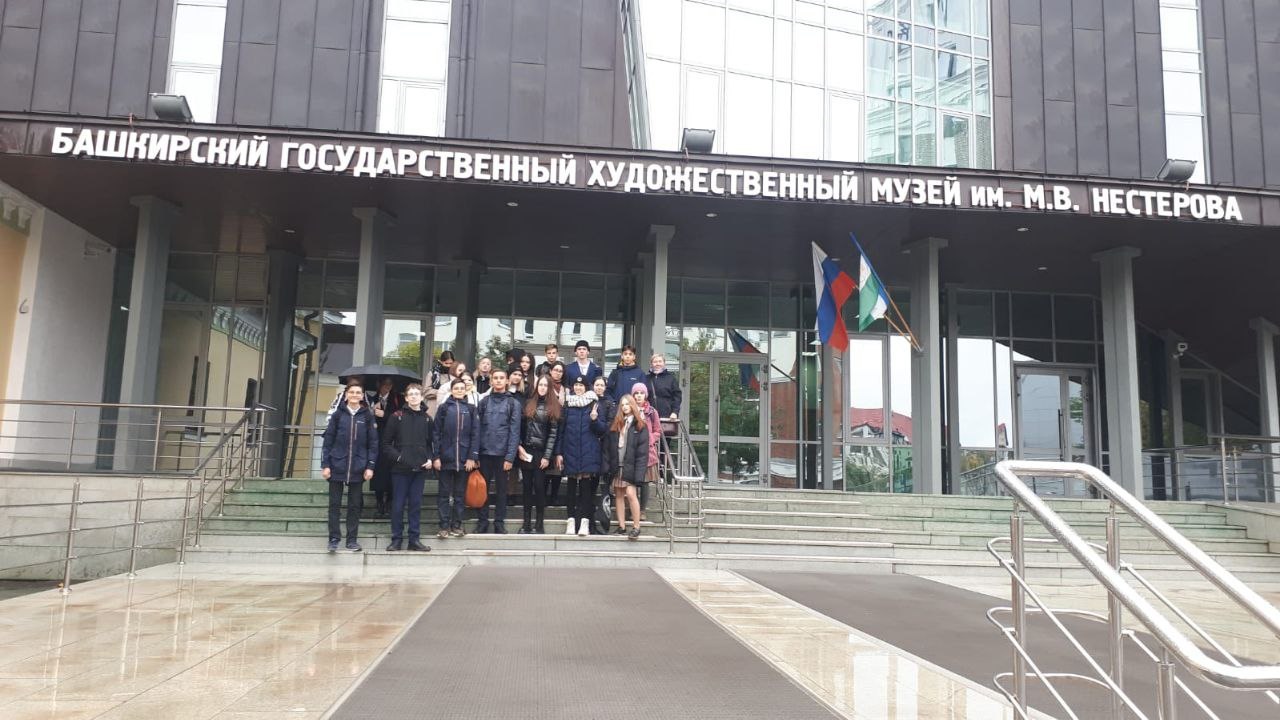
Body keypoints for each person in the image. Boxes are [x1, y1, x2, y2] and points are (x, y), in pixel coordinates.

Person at [321, 381, 378, 552]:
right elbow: (328, 441)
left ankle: (352, 540)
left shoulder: (367, 416)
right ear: (346, 395)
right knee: (334, 505)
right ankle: (334, 539)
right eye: (352, 392)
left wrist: (370, 466)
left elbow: (373, 444)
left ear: (362, 396)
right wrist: (325, 465)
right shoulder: (338, 415)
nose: (354, 395)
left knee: (354, 506)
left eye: (358, 392)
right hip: (337, 465)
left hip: (358, 467)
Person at [380, 383, 433, 552]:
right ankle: (396, 540)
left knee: (415, 505)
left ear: (422, 397)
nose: (414, 397)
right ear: (406, 398)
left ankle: (414, 540)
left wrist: (430, 458)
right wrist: (399, 457)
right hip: (400, 470)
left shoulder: (427, 418)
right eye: (411, 394)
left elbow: (431, 443)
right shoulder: (397, 416)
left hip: (420, 470)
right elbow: (386, 444)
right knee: (398, 506)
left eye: (417, 394)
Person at [557, 377, 606, 536]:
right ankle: (571, 521)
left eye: (581, 385)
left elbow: (602, 429)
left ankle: (584, 522)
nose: (578, 388)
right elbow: (561, 431)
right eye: (576, 385)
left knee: (586, 489)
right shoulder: (567, 405)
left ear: (586, 387)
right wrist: (559, 453)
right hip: (570, 450)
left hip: (588, 452)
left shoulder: (594, 403)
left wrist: (594, 420)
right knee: (571, 488)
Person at [475, 369, 522, 534]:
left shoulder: (513, 403)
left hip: (503, 455)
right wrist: (475, 454)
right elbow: (477, 429)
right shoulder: (484, 402)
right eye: (495, 378)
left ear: (507, 381)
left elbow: (515, 432)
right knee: (483, 489)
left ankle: (499, 522)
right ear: (491, 381)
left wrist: (510, 457)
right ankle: (482, 522)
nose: (498, 380)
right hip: (484, 453)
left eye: (502, 378)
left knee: (502, 491)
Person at [432, 379, 479, 539]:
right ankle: (443, 526)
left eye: (462, 388)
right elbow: (436, 433)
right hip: (446, 458)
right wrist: (436, 456)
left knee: (460, 495)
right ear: (451, 390)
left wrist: (472, 457)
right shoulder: (444, 408)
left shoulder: (471, 409)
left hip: (465, 459)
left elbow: (475, 434)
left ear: (466, 390)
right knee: (444, 494)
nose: (459, 390)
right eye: (456, 388)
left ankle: (457, 525)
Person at [517, 374, 560, 533]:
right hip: (526, 451)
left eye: (545, 385)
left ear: (549, 388)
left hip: (541, 453)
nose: (542, 388)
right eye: (540, 385)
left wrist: (547, 457)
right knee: (527, 487)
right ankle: (526, 523)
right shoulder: (529, 403)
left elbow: (553, 435)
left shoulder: (553, 406)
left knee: (539, 488)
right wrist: (519, 446)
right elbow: (520, 428)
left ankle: (539, 524)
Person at [606, 393, 648, 540]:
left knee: (630, 494)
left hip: (631, 466)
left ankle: (636, 527)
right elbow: (610, 447)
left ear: (633, 405)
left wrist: (639, 475)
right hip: (617, 465)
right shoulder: (617, 423)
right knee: (618, 495)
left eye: (627, 404)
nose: (625, 407)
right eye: (622, 404)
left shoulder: (640, 425)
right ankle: (622, 526)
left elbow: (642, 454)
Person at [369, 377, 400, 518]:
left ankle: (389, 503)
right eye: (385, 384)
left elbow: (400, 417)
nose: (387, 387)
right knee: (378, 473)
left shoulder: (398, 399)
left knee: (391, 473)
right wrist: (372, 413)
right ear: (379, 384)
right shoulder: (372, 399)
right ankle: (379, 503)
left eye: (390, 384)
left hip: (393, 442)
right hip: (377, 440)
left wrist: (384, 414)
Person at [632, 382, 662, 522]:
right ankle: (633, 509)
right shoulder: (628, 409)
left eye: (641, 393)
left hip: (647, 452)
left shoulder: (652, 412)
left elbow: (658, 431)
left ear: (645, 395)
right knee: (631, 482)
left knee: (644, 482)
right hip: (631, 451)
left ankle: (642, 510)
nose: (639, 396)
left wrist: (649, 439)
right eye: (636, 393)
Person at [646, 353, 681, 419]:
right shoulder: (646, 378)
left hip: (667, 416)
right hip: (649, 416)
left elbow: (677, 397)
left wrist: (675, 412)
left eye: (660, 361)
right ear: (651, 364)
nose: (658, 364)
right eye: (655, 362)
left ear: (664, 363)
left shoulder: (671, 378)